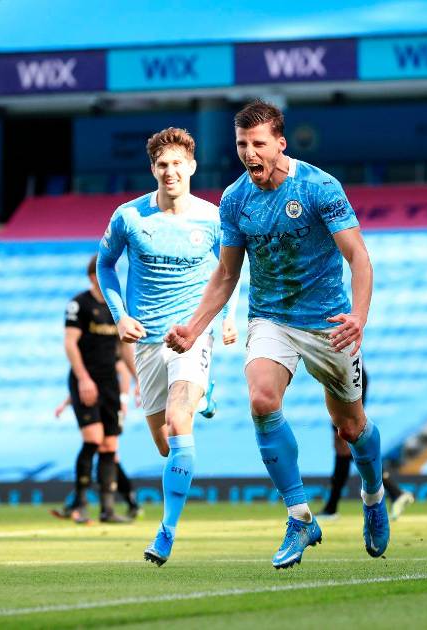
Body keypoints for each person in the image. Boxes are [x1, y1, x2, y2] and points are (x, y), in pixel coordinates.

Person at [165, 100, 389, 569]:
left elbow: (359, 257)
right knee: (262, 400)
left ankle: (373, 495)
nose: (249, 152)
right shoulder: (235, 200)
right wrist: (194, 327)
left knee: (351, 427)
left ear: (280, 144)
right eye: (242, 144)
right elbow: (227, 274)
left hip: (328, 322)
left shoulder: (319, 187)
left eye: (258, 143)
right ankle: (300, 516)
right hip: (270, 318)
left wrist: (359, 316)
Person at [97, 127, 240, 566]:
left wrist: (229, 316)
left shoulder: (212, 218)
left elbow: (231, 269)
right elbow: (105, 265)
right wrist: (120, 315)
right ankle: (205, 394)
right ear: (153, 169)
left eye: (178, 163)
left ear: (192, 167)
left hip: (191, 334)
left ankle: (166, 531)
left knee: (180, 424)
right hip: (147, 340)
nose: (170, 171)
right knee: (165, 445)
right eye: (163, 164)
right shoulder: (129, 217)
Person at [51, 255, 140, 524]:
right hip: (85, 380)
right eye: (106, 272)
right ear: (94, 277)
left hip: (109, 381)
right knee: (93, 438)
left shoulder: (118, 307)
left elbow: (125, 347)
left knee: (110, 444)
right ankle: (78, 504)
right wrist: (83, 379)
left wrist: (139, 380)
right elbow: (70, 343)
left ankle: (107, 510)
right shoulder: (79, 304)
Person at [318, 367, 414, 521]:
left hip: (346, 376)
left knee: (346, 440)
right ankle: (395, 492)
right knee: (344, 445)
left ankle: (332, 508)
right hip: (343, 376)